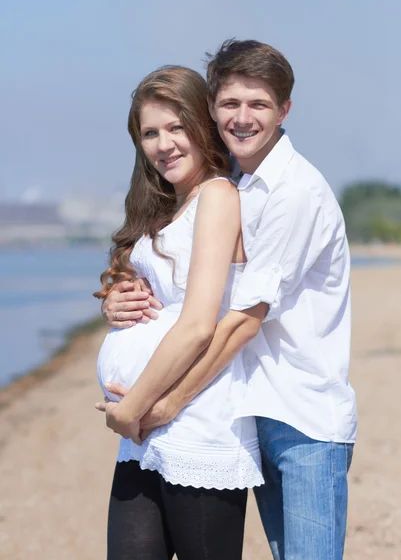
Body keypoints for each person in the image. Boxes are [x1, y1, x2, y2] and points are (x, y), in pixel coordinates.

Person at [100, 39, 357, 560]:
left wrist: (163, 403)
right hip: (247, 404)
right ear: (212, 110)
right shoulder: (237, 181)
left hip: (300, 418)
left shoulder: (292, 192)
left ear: (285, 110)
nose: (242, 118)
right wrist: (118, 299)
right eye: (230, 104)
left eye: (259, 104)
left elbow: (241, 321)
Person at [94, 64, 265, 560]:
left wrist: (130, 409)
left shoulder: (216, 194)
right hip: (146, 432)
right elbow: (159, 296)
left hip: (197, 422)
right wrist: (117, 302)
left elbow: (196, 325)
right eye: (149, 132)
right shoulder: (166, 205)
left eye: (176, 127)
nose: (163, 143)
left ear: (201, 124)